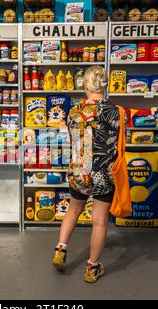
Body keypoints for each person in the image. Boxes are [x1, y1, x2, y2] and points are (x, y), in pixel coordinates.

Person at [52, 66, 126, 283]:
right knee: (100, 221)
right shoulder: (117, 112)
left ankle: (60, 250)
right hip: (104, 172)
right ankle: (92, 268)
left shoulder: (74, 112)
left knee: (73, 210)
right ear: (105, 85)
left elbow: (74, 139)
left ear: (85, 85)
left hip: (79, 171)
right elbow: (121, 143)